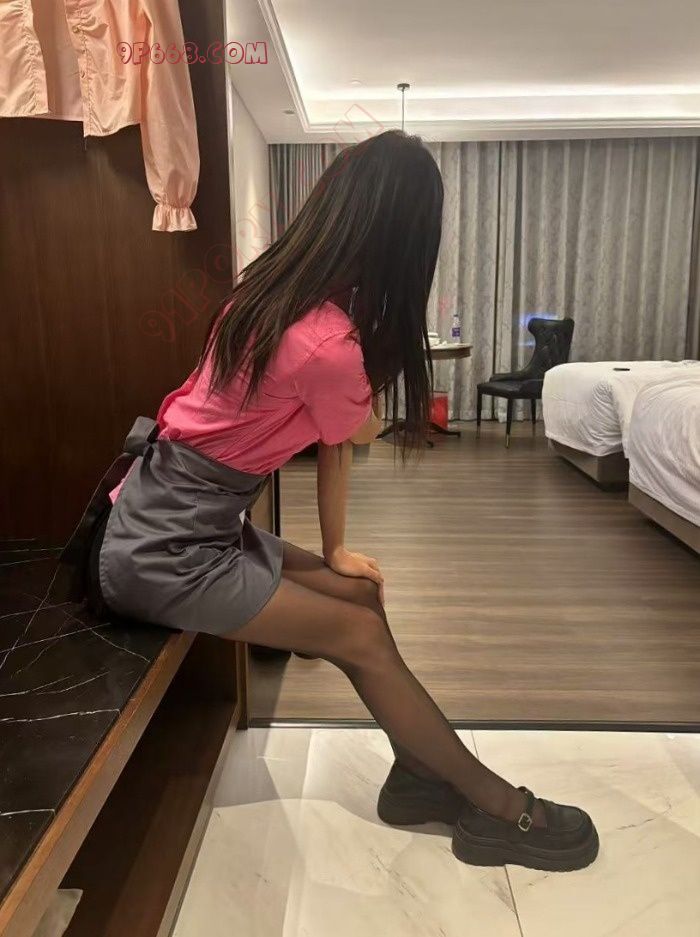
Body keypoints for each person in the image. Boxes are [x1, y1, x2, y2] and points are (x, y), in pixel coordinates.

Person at [84, 130, 598, 872]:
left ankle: (417, 774)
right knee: (357, 631)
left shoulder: (271, 293)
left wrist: (335, 552)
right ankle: (494, 807)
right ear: (401, 238)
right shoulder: (326, 342)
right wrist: (332, 532)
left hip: (177, 516)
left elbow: (332, 446)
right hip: (164, 549)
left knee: (359, 593)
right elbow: (352, 437)